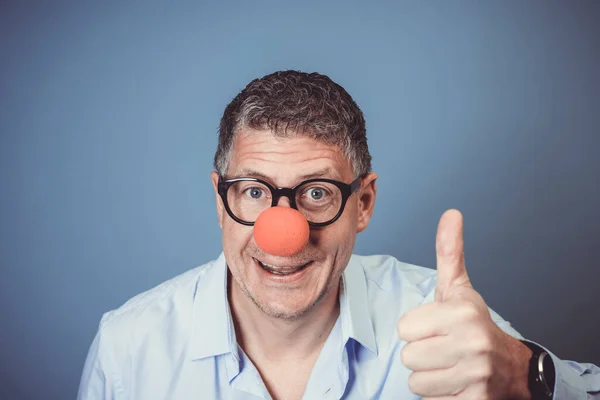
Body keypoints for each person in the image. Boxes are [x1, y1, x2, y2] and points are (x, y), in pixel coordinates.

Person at [77, 70, 599, 400]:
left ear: (363, 203)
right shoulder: (129, 350)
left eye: (318, 193)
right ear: (221, 200)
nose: (283, 234)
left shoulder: (439, 325)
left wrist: (530, 378)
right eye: (255, 192)